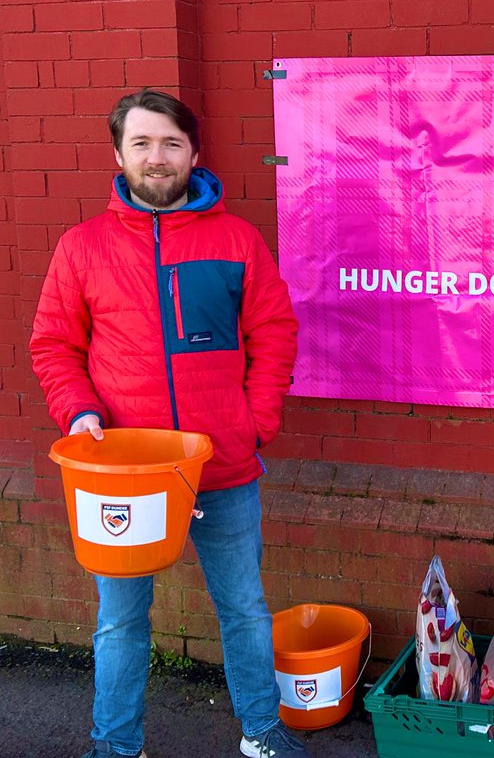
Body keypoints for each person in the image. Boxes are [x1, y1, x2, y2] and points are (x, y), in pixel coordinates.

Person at [30, 89, 305, 758]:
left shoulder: (236, 240)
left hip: (223, 467)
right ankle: (116, 746)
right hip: (122, 477)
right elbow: (54, 345)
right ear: (118, 153)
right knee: (121, 621)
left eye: (171, 144)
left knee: (243, 610)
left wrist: (255, 421)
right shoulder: (80, 248)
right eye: (143, 143)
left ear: (194, 153)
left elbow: (274, 332)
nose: (158, 158)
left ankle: (263, 733)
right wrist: (81, 411)